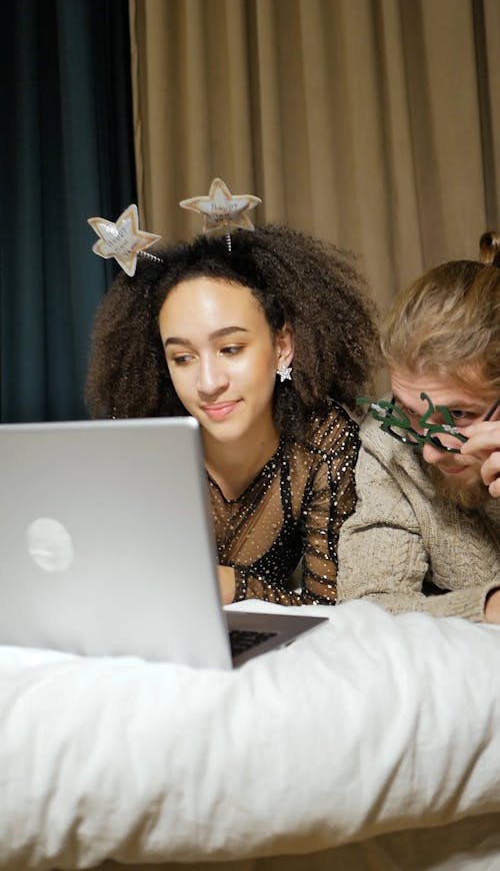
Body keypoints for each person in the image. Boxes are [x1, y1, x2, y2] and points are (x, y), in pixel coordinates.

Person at [86, 220, 378, 606]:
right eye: (183, 358)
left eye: (230, 349)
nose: (208, 383)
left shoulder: (323, 441)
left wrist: (235, 588)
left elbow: (333, 607)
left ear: (282, 346)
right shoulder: (143, 439)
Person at [337, 232, 500, 622]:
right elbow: (371, 603)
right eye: (410, 411)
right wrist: (490, 607)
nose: (430, 450)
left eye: (460, 414)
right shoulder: (387, 443)